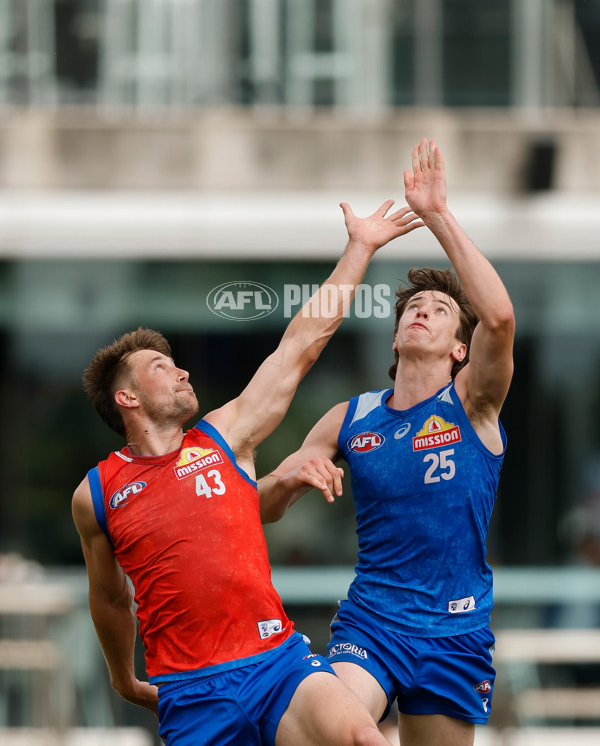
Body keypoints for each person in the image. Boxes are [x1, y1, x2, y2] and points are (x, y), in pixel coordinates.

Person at [71, 193, 423, 746]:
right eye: (162, 367)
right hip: (192, 691)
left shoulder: (224, 436)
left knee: (365, 738)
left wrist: (360, 248)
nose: (182, 371)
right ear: (127, 398)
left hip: (276, 665)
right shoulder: (96, 494)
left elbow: (298, 347)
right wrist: (124, 679)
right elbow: (110, 597)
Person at [259, 138, 515, 746]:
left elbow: (499, 319)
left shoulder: (473, 403)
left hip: (454, 634)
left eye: (440, 310)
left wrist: (436, 215)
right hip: (371, 623)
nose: (421, 312)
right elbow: (260, 508)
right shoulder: (351, 419)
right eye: (413, 307)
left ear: (461, 349)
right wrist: (289, 478)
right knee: (334, 733)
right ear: (396, 336)